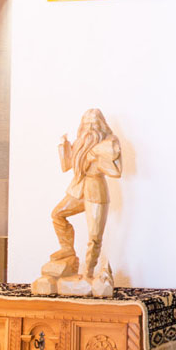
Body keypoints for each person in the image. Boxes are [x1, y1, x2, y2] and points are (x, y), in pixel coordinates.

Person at [50, 108, 122, 280]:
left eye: (93, 123)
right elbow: (66, 166)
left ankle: (88, 272)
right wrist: (64, 145)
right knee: (57, 214)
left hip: (96, 190)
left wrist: (95, 154)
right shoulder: (80, 142)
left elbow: (116, 171)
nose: (90, 127)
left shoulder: (109, 143)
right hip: (79, 188)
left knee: (94, 236)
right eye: (86, 123)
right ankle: (67, 249)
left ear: (101, 124)